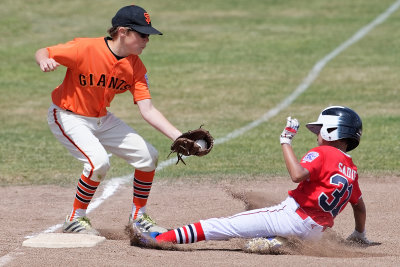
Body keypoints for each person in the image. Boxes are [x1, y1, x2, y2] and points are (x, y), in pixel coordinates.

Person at [35, 5, 183, 235]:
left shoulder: (135, 66)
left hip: (102, 119)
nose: (147, 40)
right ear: (123, 32)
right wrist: (44, 61)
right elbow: (43, 51)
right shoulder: (85, 48)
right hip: (68, 115)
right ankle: (75, 218)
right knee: (98, 163)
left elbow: (148, 109)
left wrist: (179, 136)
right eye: (142, 34)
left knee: (148, 157)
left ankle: (138, 217)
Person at [134, 106, 372, 248]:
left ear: (333, 131)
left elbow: (297, 175)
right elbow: (359, 208)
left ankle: (158, 238)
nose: (317, 134)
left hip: (291, 218)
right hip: (315, 235)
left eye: (321, 129)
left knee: (221, 226)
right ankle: (276, 241)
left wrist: (286, 141)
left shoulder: (322, 152)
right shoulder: (351, 170)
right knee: (272, 227)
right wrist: (359, 235)